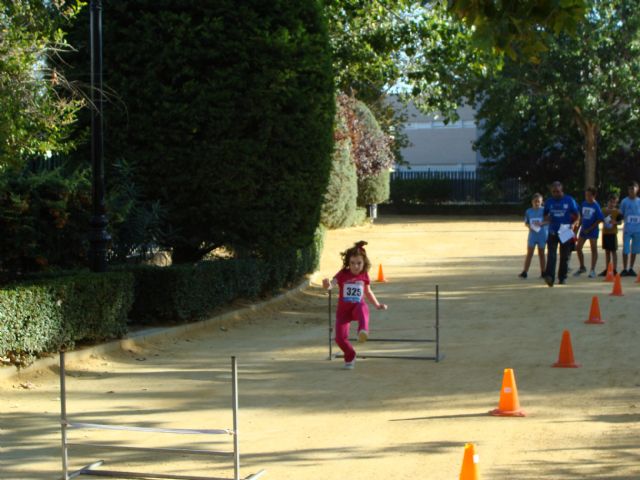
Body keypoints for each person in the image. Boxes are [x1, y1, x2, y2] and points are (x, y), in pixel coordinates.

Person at [323, 240, 387, 369]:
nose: (355, 266)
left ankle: (362, 331)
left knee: (362, 306)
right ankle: (350, 355)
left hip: (357, 309)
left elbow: (368, 292)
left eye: (359, 263)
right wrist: (327, 285)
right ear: (348, 263)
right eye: (352, 263)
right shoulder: (342, 274)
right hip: (343, 312)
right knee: (339, 339)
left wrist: (377, 305)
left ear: (364, 263)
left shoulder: (364, 275)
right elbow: (332, 285)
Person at [542, 181, 580, 287]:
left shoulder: (569, 200)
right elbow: (545, 216)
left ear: (561, 190)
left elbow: (577, 215)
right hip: (553, 231)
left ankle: (562, 277)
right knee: (551, 255)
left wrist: (573, 224)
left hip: (565, 231)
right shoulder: (549, 202)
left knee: (565, 256)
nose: (556, 194)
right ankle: (550, 277)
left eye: (558, 191)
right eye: (554, 192)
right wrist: (548, 219)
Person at [574, 187, 604, 278]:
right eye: (586, 195)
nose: (587, 197)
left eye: (589, 195)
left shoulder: (596, 206)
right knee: (578, 248)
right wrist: (577, 230)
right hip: (583, 230)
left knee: (593, 249)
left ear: (594, 195)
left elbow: (600, 219)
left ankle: (592, 270)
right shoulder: (583, 204)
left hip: (593, 231)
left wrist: (590, 228)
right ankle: (582, 267)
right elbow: (581, 217)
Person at [519, 193, 547, 279]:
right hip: (532, 234)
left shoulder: (544, 210)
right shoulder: (529, 211)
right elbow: (526, 222)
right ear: (532, 202)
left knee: (541, 253)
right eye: (535, 201)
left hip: (542, 234)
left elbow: (549, 220)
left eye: (538, 201)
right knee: (529, 253)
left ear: (542, 202)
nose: (537, 203)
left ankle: (543, 272)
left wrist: (541, 223)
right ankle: (525, 272)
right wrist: (529, 226)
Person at [599, 194, 623, 276]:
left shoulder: (617, 211)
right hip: (605, 233)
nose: (612, 204)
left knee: (614, 251)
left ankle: (614, 269)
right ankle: (608, 269)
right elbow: (600, 219)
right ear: (607, 202)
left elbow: (620, 222)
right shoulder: (603, 210)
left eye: (614, 202)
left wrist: (615, 222)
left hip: (613, 234)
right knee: (607, 252)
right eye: (611, 202)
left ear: (616, 203)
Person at [620, 181, 640, 277]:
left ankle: (631, 268)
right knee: (626, 249)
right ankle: (624, 269)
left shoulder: (639, 201)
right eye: (629, 189)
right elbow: (620, 214)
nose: (631, 190)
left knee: (634, 250)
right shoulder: (624, 201)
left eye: (633, 188)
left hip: (638, 230)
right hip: (627, 229)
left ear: (637, 189)